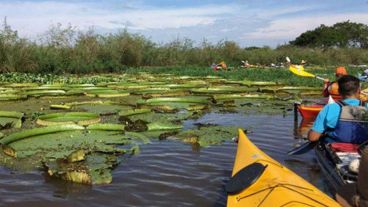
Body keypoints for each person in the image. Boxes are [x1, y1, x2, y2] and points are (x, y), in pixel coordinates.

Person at [308, 75, 368, 144]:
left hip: (337, 148)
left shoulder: (329, 108)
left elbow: (312, 138)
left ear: (339, 91)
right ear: (359, 91)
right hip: (363, 149)